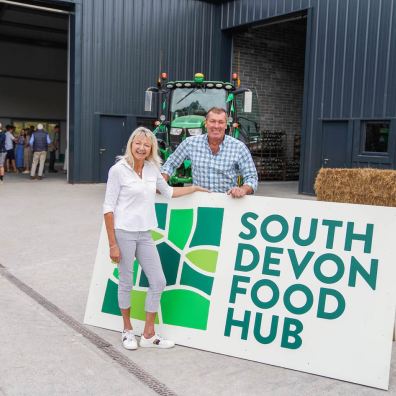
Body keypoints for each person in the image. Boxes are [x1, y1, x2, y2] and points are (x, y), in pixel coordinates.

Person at [103, 126, 208, 350]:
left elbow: (168, 192)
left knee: (158, 280)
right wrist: (113, 243)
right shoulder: (118, 170)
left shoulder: (152, 169)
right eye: (137, 143)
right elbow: (108, 208)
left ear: (151, 148)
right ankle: (127, 330)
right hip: (124, 232)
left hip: (145, 233)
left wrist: (194, 188)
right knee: (126, 281)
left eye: (146, 145)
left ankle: (149, 334)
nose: (141, 148)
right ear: (131, 144)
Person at [161, 107, 258, 198]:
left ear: (226, 125)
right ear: (206, 123)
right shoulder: (190, 143)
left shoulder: (239, 147)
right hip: (199, 201)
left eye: (221, 122)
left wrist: (243, 190)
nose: (216, 126)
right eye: (212, 121)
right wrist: (160, 183)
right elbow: (171, 163)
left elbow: (251, 177)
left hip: (228, 202)